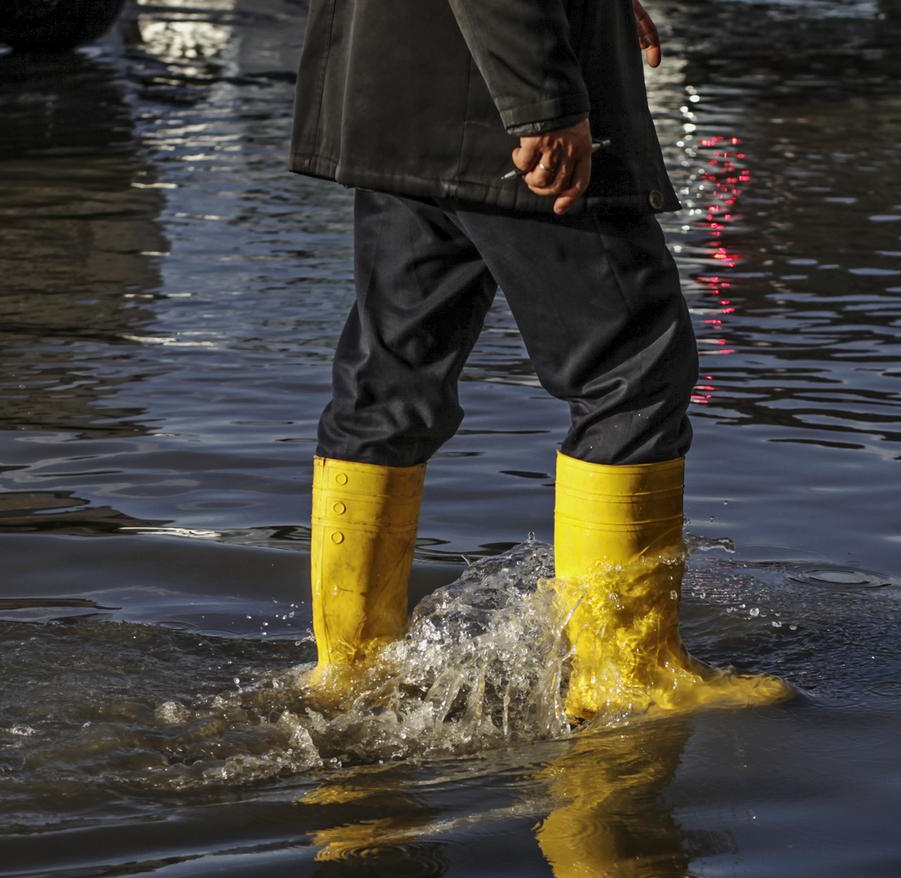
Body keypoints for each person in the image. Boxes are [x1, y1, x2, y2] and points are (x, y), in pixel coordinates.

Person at [290, 0, 787, 718]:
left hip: (397, 90)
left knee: (391, 381)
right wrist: (543, 103)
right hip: (496, 107)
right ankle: (628, 675)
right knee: (633, 370)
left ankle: (354, 667)